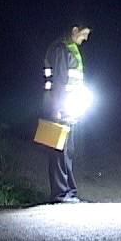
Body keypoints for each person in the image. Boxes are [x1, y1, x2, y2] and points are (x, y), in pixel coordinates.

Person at [42, 21, 92, 203]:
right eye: (84, 34)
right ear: (74, 30)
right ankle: (60, 193)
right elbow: (59, 81)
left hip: (68, 110)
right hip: (59, 109)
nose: (85, 39)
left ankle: (69, 192)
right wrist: (56, 109)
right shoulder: (61, 49)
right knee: (59, 151)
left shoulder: (70, 49)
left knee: (67, 151)